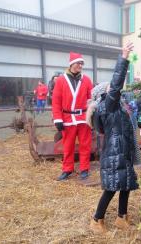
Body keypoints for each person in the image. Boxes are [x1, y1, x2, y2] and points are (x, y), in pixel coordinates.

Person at [88, 43, 139, 234]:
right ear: (104, 94)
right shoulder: (107, 105)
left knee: (126, 184)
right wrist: (124, 57)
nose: (115, 90)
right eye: (110, 89)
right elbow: (117, 83)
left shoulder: (116, 106)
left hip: (122, 151)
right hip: (114, 152)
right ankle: (96, 219)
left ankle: (121, 217)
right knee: (111, 188)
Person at [52, 52, 93, 181]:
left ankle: (84, 169)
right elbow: (56, 101)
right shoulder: (60, 80)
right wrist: (58, 118)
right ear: (71, 64)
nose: (80, 66)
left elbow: (91, 99)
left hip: (83, 118)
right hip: (67, 119)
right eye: (78, 63)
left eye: (81, 63)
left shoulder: (86, 80)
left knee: (85, 145)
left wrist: (91, 116)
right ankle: (67, 169)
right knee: (68, 146)